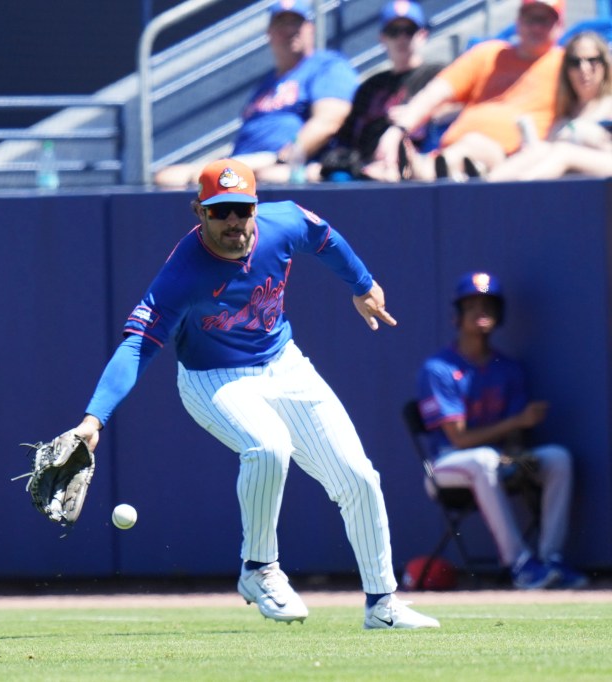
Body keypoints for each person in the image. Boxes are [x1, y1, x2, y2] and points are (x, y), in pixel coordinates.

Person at [66, 158, 440, 630]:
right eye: (220, 211)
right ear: (198, 211)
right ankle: (259, 569)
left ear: (255, 207)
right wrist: (94, 418)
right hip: (212, 377)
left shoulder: (282, 222)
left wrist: (362, 285)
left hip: (283, 363)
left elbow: (325, 238)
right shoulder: (183, 271)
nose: (233, 221)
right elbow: (138, 344)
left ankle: (383, 604)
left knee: (359, 477)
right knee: (269, 447)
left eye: (241, 209)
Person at [417, 272, 587, 590]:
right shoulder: (438, 368)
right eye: (473, 305)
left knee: (557, 458)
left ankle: (551, 559)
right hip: (447, 464)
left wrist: (516, 450)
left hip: (497, 459)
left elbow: (515, 432)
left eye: (488, 305)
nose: (482, 311)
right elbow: (459, 438)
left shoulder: (507, 368)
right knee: (482, 459)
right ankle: (520, 565)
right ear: (458, 315)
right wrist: (515, 424)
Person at [154, 0, 358, 187]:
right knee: (167, 177)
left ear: (310, 29)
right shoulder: (267, 83)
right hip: (245, 165)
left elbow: (329, 121)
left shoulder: (328, 65)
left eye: (296, 23)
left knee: (206, 177)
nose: (289, 30)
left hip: (277, 167)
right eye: (281, 23)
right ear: (269, 32)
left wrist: (282, 159)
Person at [374, 0, 566, 181]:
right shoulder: (488, 54)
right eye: (531, 19)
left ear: (560, 25)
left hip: (511, 157)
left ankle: (422, 171)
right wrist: (398, 130)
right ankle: (415, 167)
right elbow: (435, 93)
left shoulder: (568, 65)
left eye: (545, 20)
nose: (536, 27)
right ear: (518, 21)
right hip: (455, 147)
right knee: (463, 151)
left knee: (473, 147)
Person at [324, 1, 445, 182]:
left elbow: (458, 110)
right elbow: (346, 138)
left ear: (422, 35)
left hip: (416, 171)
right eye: (394, 32)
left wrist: (419, 116)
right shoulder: (370, 86)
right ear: (382, 38)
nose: (401, 38)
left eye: (409, 31)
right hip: (364, 170)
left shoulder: (439, 75)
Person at [488, 31, 612, 181]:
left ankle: (522, 190)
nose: (584, 69)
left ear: (605, 64)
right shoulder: (562, 112)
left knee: (564, 152)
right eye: (575, 63)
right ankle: (488, 187)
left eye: (592, 60)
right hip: (573, 178)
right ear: (567, 70)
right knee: (537, 151)